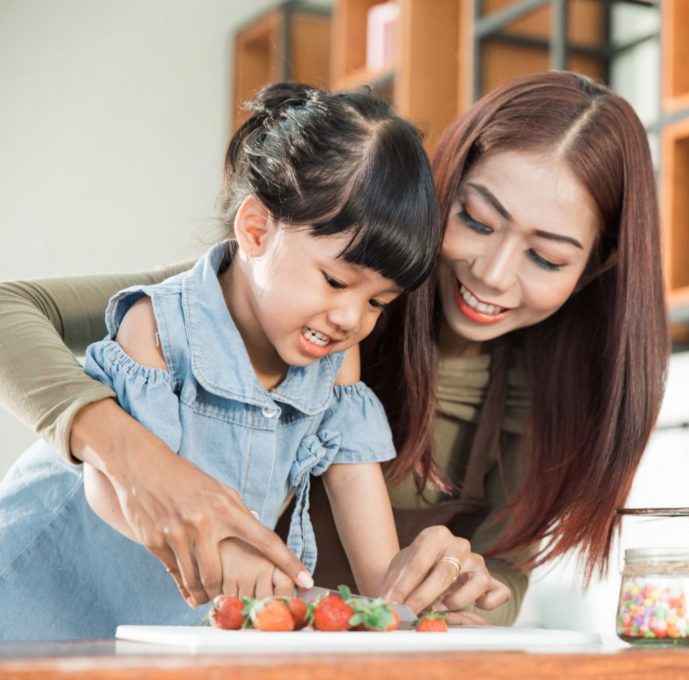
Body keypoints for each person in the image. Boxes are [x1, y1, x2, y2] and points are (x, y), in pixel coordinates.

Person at [0, 71, 667, 628]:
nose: (492, 273)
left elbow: (494, 562)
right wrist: (138, 460)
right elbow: (13, 310)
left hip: (225, 632)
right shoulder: (290, 281)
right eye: (475, 220)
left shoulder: (538, 388)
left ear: (596, 268)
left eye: (546, 256)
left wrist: (441, 599)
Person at [0, 82, 442, 640]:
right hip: (29, 598)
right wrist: (228, 557)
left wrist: (400, 600)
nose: (352, 319)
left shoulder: (337, 362)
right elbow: (111, 486)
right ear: (255, 230)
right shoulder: (159, 324)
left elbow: (362, 505)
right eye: (335, 281)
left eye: (378, 302)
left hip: (154, 628)